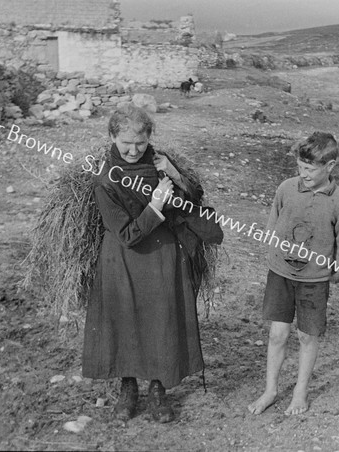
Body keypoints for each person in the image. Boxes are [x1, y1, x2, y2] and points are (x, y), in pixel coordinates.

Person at [82, 104, 222, 423]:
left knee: (162, 319)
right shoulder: (105, 179)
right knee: (125, 321)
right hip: (122, 256)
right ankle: (128, 388)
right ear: (112, 137)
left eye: (140, 143)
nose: (133, 151)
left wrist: (174, 173)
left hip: (163, 255)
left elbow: (194, 198)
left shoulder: (161, 164)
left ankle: (158, 389)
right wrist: (157, 205)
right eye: (126, 143)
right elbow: (128, 235)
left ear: (149, 139)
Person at [248, 132, 339, 416]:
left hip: (314, 281)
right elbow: (273, 223)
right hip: (281, 275)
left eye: (310, 169)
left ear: (330, 166)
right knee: (277, 335)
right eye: (300, 167)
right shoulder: (286, 188)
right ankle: (270, 389)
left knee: (307, 337)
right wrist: (273, 253)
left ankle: (300, 391)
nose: (303, 174)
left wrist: (334, 270)